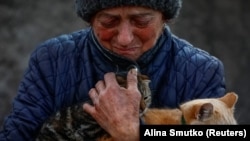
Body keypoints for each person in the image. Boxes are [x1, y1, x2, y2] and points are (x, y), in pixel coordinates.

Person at [0, 0, 226, 141]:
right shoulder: (51, 59)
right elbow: (18, 133)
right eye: (108, 22)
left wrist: (133, 134)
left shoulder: (201, 70)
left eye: (141, 21)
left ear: (165, 17)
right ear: (90, 20)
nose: (125, 38)